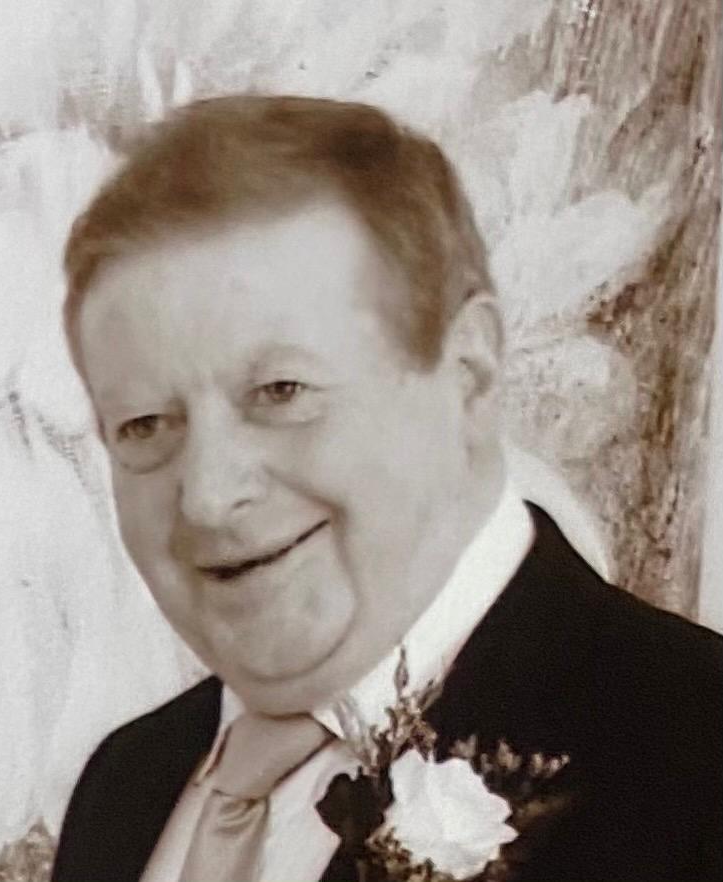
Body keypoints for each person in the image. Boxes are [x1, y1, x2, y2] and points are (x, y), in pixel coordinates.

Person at [50, 95, 722, 882]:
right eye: (142, 424)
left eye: (280, 391)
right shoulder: (127, 784)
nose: (205, 496)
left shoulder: (696, 760)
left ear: (468, 372)